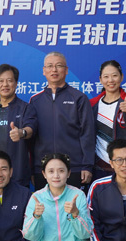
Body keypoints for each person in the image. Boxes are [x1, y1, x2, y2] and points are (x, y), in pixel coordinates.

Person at [29, 52, 95, 191]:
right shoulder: (35, 101)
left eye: (59, 66)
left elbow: (87, 133)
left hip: (73, 168)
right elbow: (32, 139)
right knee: (45, 205)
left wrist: (86, 166)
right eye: (50, 66)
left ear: (66, 70)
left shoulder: (79, 98)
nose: (54, 70)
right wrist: (34, 169)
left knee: (73, 205)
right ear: (44, 71)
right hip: (44, 169)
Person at [89, 60, 126, 181]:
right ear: (100, 79)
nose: (110, 80)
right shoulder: (92, 104)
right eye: (106, 77)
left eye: (114, 75)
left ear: (122, 77)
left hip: (125, 167)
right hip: (99, 167)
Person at [0, 64, 36, 188]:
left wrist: (21, 133)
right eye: (1, 81)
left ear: (16, 83)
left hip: (17, 174)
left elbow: (31, 128)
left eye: (9, 80)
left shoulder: (26, 108)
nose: (5, 85)